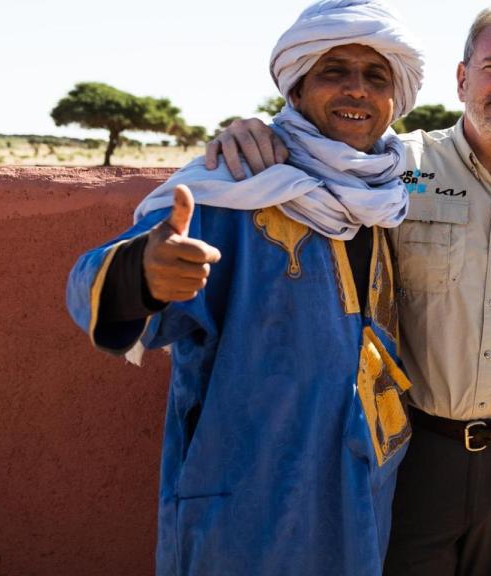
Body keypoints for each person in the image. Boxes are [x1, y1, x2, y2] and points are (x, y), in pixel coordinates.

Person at [207, 3, 491, 574]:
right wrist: (254, 130)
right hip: (417, 456)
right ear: (462, 79)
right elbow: (324, 154)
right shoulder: (402, 167)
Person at [65, 1, 424, 574]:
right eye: (334, 71)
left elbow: (447, 177)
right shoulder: (234, 186)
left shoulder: (394, 184)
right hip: (246, 508)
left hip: (361, 497)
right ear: (297, 88)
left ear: (395, 99)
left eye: (376, 76)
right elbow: (89, 280)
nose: (357, 90)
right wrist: (143, 273)